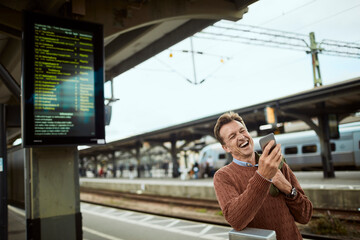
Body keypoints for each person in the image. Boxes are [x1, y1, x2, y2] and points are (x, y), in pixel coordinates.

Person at [213, 112, 312, 240]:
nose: (241, 137)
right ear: (226, 148)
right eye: (232, 136)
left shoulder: (277, 163)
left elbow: (305, 216)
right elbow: (236, 220)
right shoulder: (223, 176)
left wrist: (287, 188)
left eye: (242, 131)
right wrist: (263, 176)